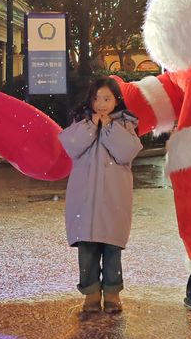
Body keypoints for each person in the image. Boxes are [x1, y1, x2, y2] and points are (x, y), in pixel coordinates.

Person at [59, 78, 141, 314]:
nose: (101, 104)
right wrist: (91, 126)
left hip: (114, 198)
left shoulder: (125, 125)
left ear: (116, 100)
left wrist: (108, 128)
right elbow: (72, 145)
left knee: (112, 249)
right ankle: (91, 295)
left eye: (107, 98)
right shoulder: (82, 123)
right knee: (87, 250)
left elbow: (126, 152)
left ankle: (113, 294)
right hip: (84, 200)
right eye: (97, 98)